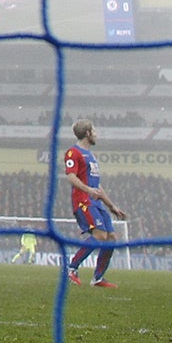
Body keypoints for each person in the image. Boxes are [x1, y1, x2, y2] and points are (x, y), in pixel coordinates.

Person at [62, 119, 125, 289]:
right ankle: (71, 268)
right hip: (83, 200)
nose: (96, 134)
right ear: (88, 133)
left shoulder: (91, 156)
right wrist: (88, 190)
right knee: (100, 235)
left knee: (111, 238)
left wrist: (112, 206)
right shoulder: (73, 153)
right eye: (94, 131)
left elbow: (97, 186)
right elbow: (71, 177)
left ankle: (98, 278)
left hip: (95, 202)